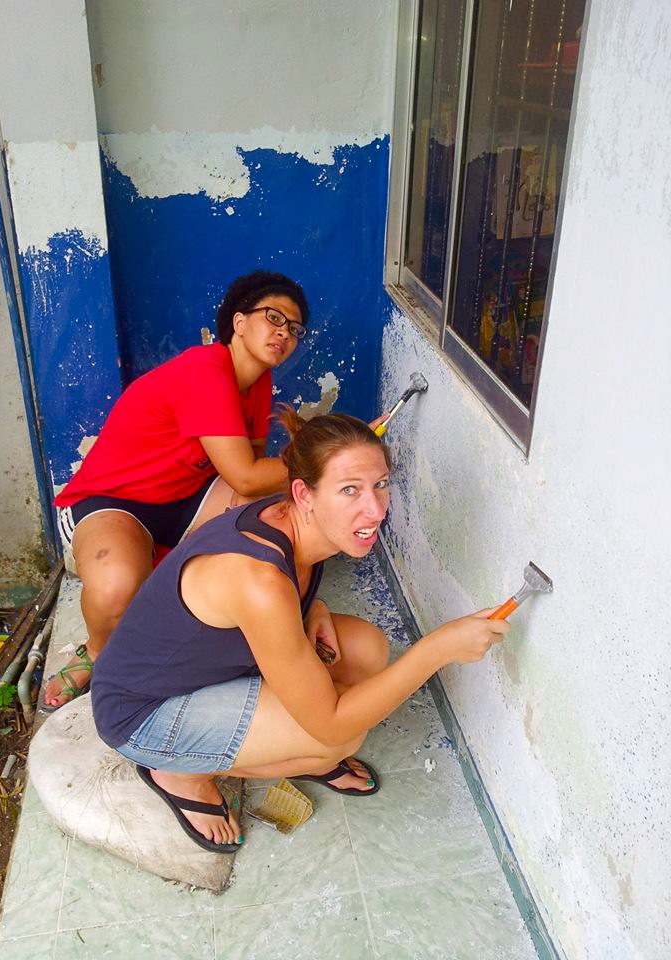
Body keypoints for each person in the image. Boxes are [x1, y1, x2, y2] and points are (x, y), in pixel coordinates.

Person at [90, 408, 510, 853]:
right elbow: (331, 722)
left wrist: (312, 608)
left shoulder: (287, 518)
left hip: (206, 668)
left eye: (381, 484)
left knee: (366, 648)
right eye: (349, 490)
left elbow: (254, 603)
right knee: (338, 738)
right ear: (304, 493)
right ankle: (181, 775)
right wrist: (436, 650)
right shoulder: (259, 580)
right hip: (143, 712)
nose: (375, 509)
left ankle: (288, 751)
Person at [44, 271, 311, 711]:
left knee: (277, 515)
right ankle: (95, 651)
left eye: (295, 328)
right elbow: (246, 475)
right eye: (274, 317)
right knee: (115, 589)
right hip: (113, 502)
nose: (285, 333)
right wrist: (324, 460)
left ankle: (256, 617)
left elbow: (255, 475)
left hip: (188, 499)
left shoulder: (257, 381)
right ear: (239, 322)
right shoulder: (205, 370)